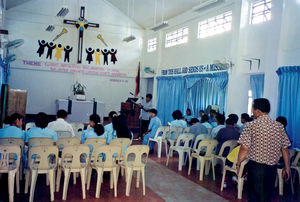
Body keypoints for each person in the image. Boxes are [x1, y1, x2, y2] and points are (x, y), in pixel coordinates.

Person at [237, 98, 291, 202]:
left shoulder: (251, 125)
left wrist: (238, 164)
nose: (252, 111)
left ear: (257, 111)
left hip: (256, 168)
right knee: (267, 196)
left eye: (252, 109)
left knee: (254, 197)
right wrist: (287, 168)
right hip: (271, 169)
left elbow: (244, 148)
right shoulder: (279, 126)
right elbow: (285, 149)